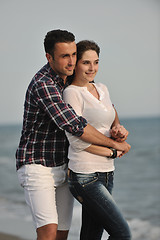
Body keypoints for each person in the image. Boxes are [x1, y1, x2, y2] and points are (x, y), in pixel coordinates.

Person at [16, 30, 130, 240]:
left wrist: (118, 128)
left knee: (62, 234)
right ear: (49, 57)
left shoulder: (69, 80)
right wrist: (114, 147)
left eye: (73, 55)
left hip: (64, 166)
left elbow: (104, 105)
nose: (71, 62)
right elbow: (75, 125)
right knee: (49, 233)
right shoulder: (44, 84)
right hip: (37, 165)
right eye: (64, 56)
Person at [63, 40, 132, 240]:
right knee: (122, 233)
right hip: (85, 176)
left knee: (91, 236)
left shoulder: (102, 88)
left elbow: (112, 121)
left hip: (107, 173)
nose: (92, 68)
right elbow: (77, 141)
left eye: (96, 62)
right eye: (86, 62)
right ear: (76, 64)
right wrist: (113, 150)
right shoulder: (71, 93)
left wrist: (119, 131)